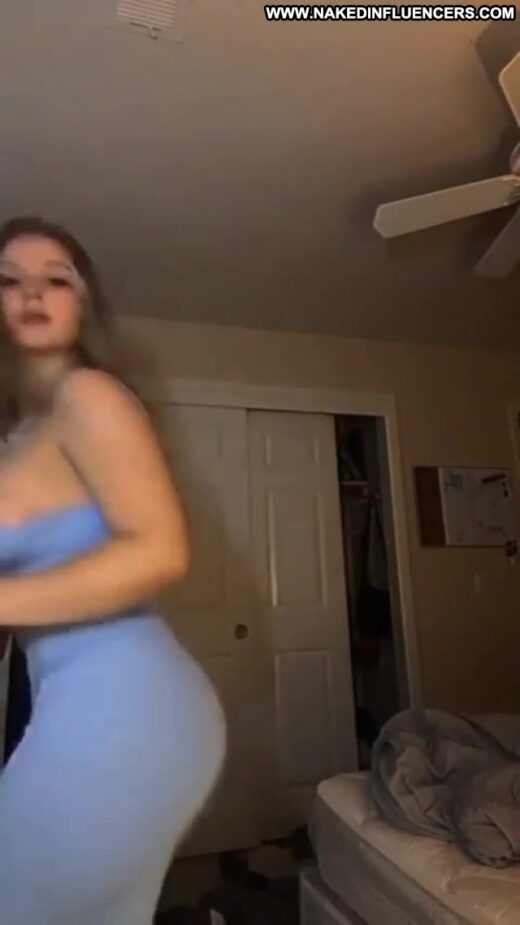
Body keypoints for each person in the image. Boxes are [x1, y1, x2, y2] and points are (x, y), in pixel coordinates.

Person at [0, 216, 226, 925]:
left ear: (83, 305)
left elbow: (160, 550)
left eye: (56, 279)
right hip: (69, 699)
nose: (31, 293)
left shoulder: (88, 394)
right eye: (9, 280)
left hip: (127, 702)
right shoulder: (16, 440)